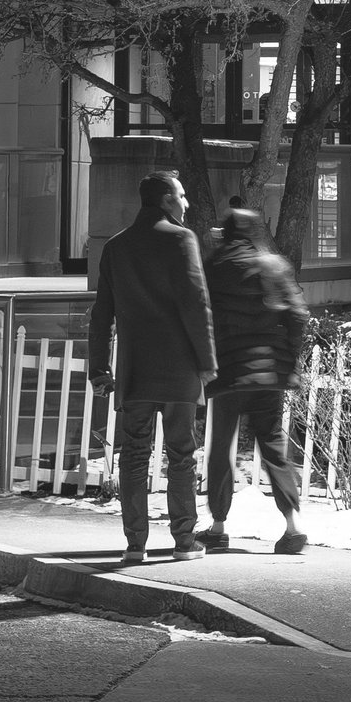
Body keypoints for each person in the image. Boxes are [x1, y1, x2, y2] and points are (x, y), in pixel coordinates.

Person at [88, 171, 217, 563]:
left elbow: (101, 313)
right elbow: (196, 304)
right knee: (181, 454)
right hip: (178, 368)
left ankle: (135, 544)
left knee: (134, 455)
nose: (186, 203)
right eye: (181, 195)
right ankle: (183, 542)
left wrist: (99, 369)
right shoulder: (181, 239)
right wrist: (207, 361)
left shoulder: (116, 247)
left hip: (135, 370)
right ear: (164, 200)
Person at [199, 207, 310, 554]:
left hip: (229, 372)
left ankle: (217, 526)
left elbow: (202, 314)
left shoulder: (215, 267)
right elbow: (297, 315)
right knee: (274, 445)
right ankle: (292, 527)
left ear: (226, 233)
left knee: (221, 448)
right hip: (269, 373)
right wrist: (288, 359)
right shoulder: (275, 266)